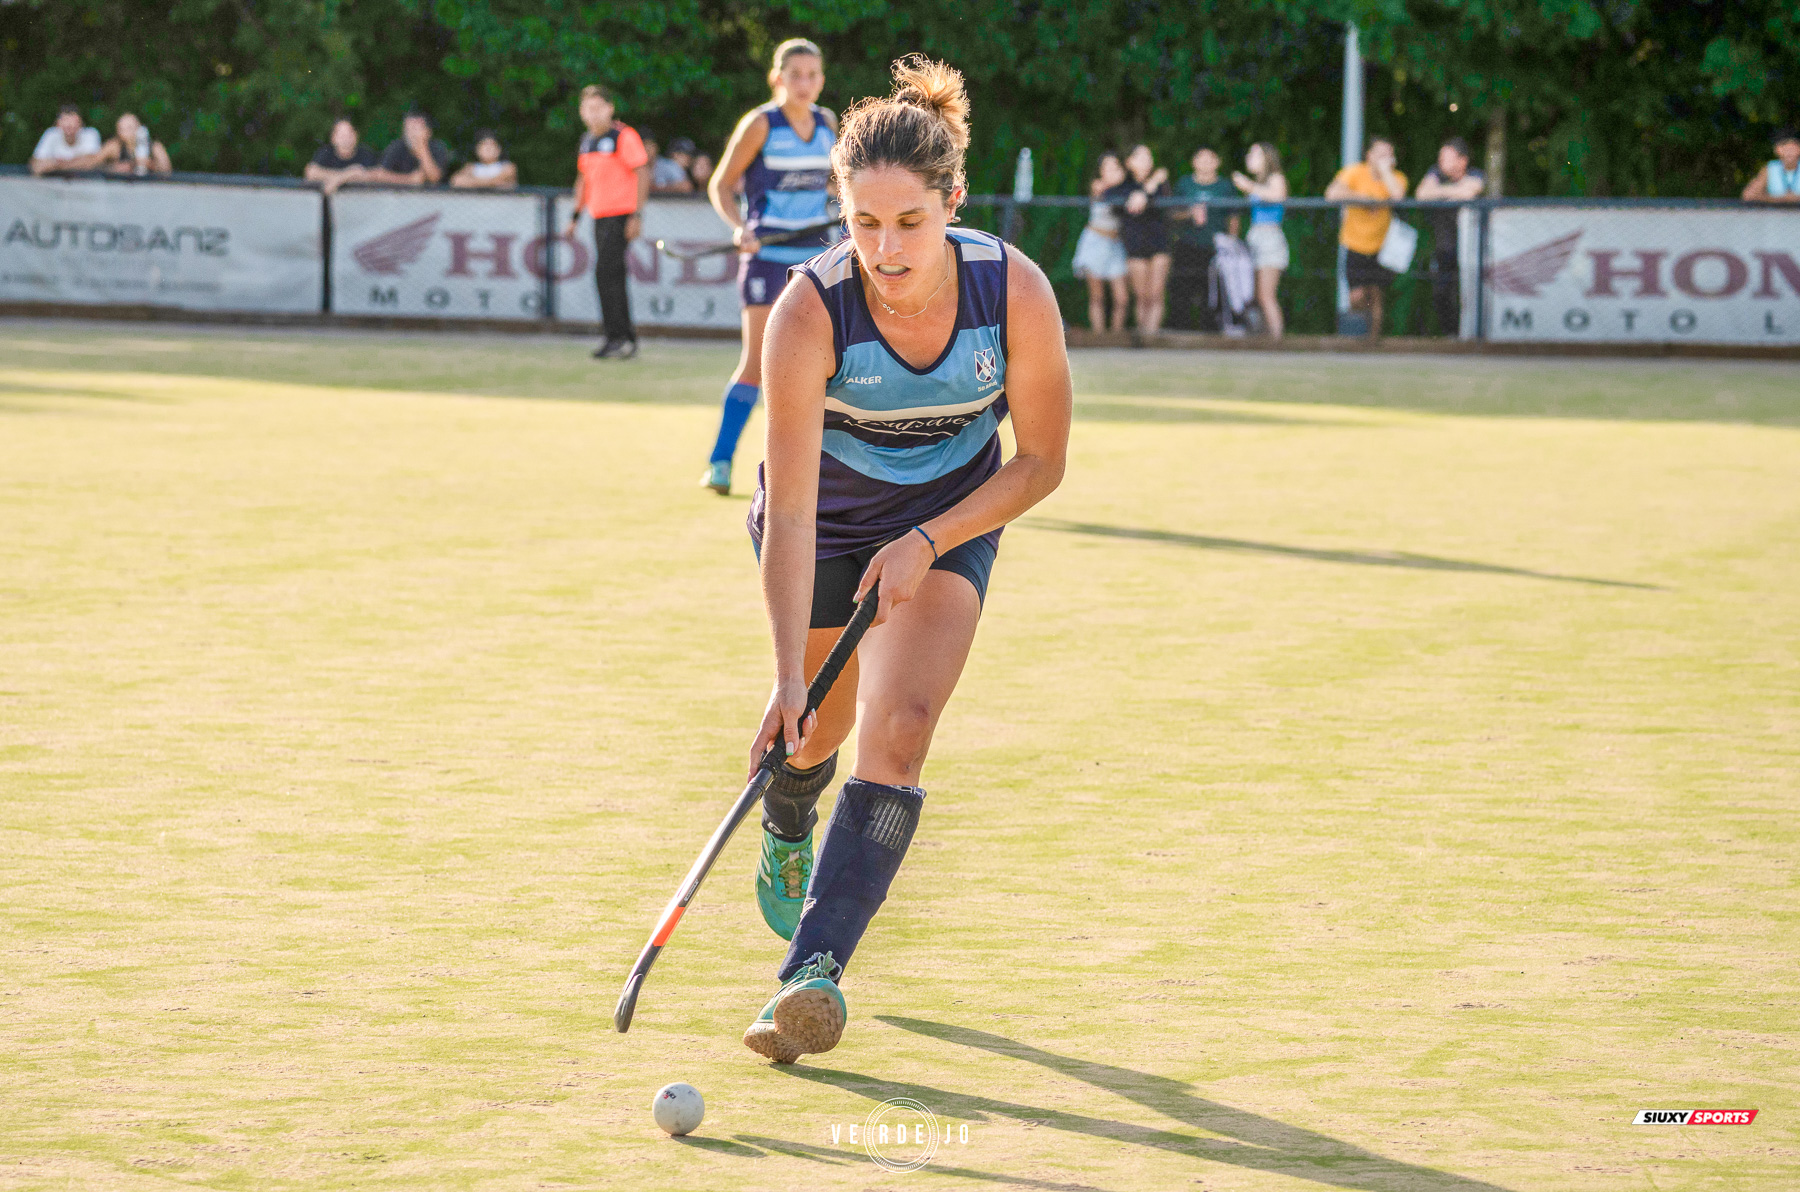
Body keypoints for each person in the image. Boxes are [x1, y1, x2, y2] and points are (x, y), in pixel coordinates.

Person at [742, 54, 1070, 1065]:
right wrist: (791, 674)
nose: (884, 249)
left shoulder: (1010, 289)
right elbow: (788, 512)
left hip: (949, 513)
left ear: (952, 202)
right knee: (817, 730)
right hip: (828, 525)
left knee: (903, 726)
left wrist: (930, 538)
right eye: (863, 223)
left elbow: (1044, 460)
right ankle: (791, 809)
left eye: (909, 224)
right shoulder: (808, 312)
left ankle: (811, 972)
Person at [700, 38, 839, 495]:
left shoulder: (827, 124)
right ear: (776, 78)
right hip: (767, 261)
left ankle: (825, 477)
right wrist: (741, 228)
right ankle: (720, 462)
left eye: (813, 75)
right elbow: (721, 186)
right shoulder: (760, 124)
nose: (805, 84)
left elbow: (836, 191)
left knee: (830, 366)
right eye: (795, 75)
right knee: (757, 365)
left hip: (819, 260)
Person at [563, 84, 650, 360]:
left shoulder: (623, 136)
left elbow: (642, 173)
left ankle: (619, 338)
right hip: (598, 216)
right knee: (609, 275)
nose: (594, 113)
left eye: (599, 107)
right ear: (581, 112)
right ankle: (621, 338)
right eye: (588, 108)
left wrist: (636, 215)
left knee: (606, 273)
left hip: (620, 215)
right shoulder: (587, 141)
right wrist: (575, 215)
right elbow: (583, 180)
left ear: (610, 109)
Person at [1326, 136, 1408, 337]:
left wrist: (1386, 172)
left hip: (1382, 246)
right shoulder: (1355, 173)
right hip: (1355, 244)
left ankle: (1373, 342)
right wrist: (1363, 199)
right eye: (1380, 154)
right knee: (1356, 296)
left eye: (1389, 154)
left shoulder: (1397, 177)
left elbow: (1397, 195)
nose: (1385, 158)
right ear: (1369, 155)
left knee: (1376, 295)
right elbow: (1331, 193)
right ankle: (1359, 333)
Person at [1414, 137, 1487, 334]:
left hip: (1474, 250)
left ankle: (1475, 337)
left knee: (1472, 295)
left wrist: (1439, 191)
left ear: (1462, 161)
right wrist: (1453, 190)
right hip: (1445, 249)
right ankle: (1453, 335)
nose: (1441, 162)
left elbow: (1470, 192)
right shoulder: (1435, 173)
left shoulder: (1476, 174)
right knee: (1441, 294)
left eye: (1447, 157)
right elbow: (1421, 194)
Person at [1169, 147, 1237, 330]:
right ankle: (1180, 331)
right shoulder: (1184, 185)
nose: (1206, 163)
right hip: (1188, 245)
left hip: (1215, 247)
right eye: (1201, 158)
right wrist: (1190, 213)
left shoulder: (1225, 187)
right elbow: (1172, 213)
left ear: (1217, 162)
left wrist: (1231, 243)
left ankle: (1211, 332)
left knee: (1212, 291)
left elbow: (1233, 217)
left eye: (1210, 158)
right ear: (1194, 162)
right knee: (1182, 289)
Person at [1231, 142, 1289, 338]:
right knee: (1255, 296)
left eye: (1254, 154)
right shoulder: (1259, 182)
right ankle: (1264, 340)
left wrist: (1249, 186)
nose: (1249, 158)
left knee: (1266, 296)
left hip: (1270, 239)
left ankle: (1277, 340)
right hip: (1255, 238)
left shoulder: (1275, 178)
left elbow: (1279, 196)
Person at [1111, 144, 1171, 333]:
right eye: (1141, 157)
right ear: (1129, 162)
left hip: (1159, 243)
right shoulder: (1123, 186)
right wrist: (1146, 189)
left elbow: (1168, 208)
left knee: (1156, 294)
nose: (1146, 161)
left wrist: (1150, 188)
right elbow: (1118, 207)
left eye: (1149, 157)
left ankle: (1151, 337)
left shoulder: (1161, 185)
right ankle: (1142, 335)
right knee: (1142, 296)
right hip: (1135, 245)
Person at [1070, 152, 1129, 332]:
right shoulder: (1099, 187)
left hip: (1115, 244)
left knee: (1122, 298)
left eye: (1116, 167)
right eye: (1107, 168)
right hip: (1095, 243)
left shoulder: (1127, 189)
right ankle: (1099, 337)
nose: (1112, 172)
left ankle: (1115, 337)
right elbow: (1110, 195)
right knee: (1097, 296)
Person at [375, 111, 450, 186]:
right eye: (407, 129)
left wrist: (422, 147)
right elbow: (380, 174)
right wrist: (409, 179)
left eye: (415, 129)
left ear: (428, 132)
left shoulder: (437, 148)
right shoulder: (397, 146)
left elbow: (434, 178)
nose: (410, 134)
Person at [305, 118, 378, 194]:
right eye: (342, 135)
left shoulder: (366, 154)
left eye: (349, 134)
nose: (346, 139)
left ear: (356, 135)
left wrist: (337, 180)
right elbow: (311, 172)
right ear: (333, 138)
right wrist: (350, 173)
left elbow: (372, 175)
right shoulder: (326, 152)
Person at [29, 104, 105, 175]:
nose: (69, 125)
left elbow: (94, 162)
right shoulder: (51, 134)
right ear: (57, 123)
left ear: (81, 123)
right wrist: (77, 163)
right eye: (65, 120)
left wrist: (56, 165)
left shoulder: (90, 134)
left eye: (73, 121)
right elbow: (36, 165)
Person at [98, 112, 171, 176]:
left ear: (139, 127)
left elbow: (168, 172)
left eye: (129, 128)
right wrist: (113, 168)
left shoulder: (155, 147)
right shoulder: (114, 146)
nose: (126, 132)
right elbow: (91, 164)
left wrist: (150, 165)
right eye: (122, 129)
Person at [1741, 129, 1800, 204]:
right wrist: (1782, 199)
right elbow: (1748, 195)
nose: (1789, 152)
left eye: (1793, 148)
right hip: (1774, 214)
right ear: (1777, 150)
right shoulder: (1770, 168)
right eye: (1785, 148)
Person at [449, 130, 518, 189]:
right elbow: (456, 181)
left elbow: (499, 179)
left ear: (499, 149)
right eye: (484, 145)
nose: (488, 149)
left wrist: (470, 182)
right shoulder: (471, 167)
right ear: (477, 150)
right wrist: (493, 183)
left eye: (492, 145)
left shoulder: (508, 167)